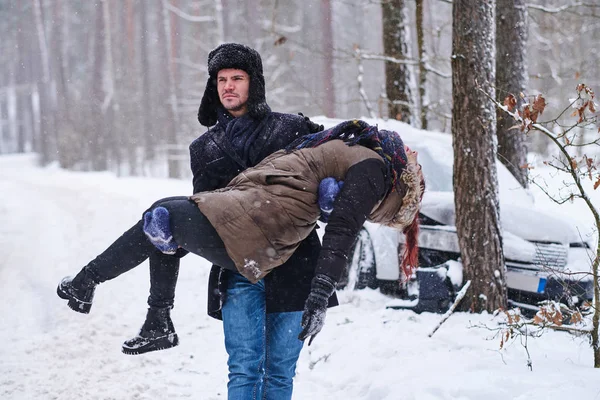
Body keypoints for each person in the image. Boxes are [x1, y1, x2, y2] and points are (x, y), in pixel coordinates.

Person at [57, 43, 336, 400]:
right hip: (241, 267)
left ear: (256, 83)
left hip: (296, 264)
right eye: (221, 79)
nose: (229, 86)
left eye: (237, 77)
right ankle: (151, 313)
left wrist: (331, 196)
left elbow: (329, 168)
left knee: (280, 373)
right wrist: (171, 244)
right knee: (244, 369)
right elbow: (204, 214)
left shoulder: (291, 129)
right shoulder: (204, 148)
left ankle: (137, 307)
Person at [57, 118, 424, 349]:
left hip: (264, 229)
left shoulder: (367, 167)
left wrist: (320, 293)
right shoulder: (365, 161)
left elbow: (342, 228)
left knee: (165, 216)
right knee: (162, 221)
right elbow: (332, 207)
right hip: (257, 211)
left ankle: (99, 287)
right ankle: (157, 320)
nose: (377, 213)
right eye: (386, 214)